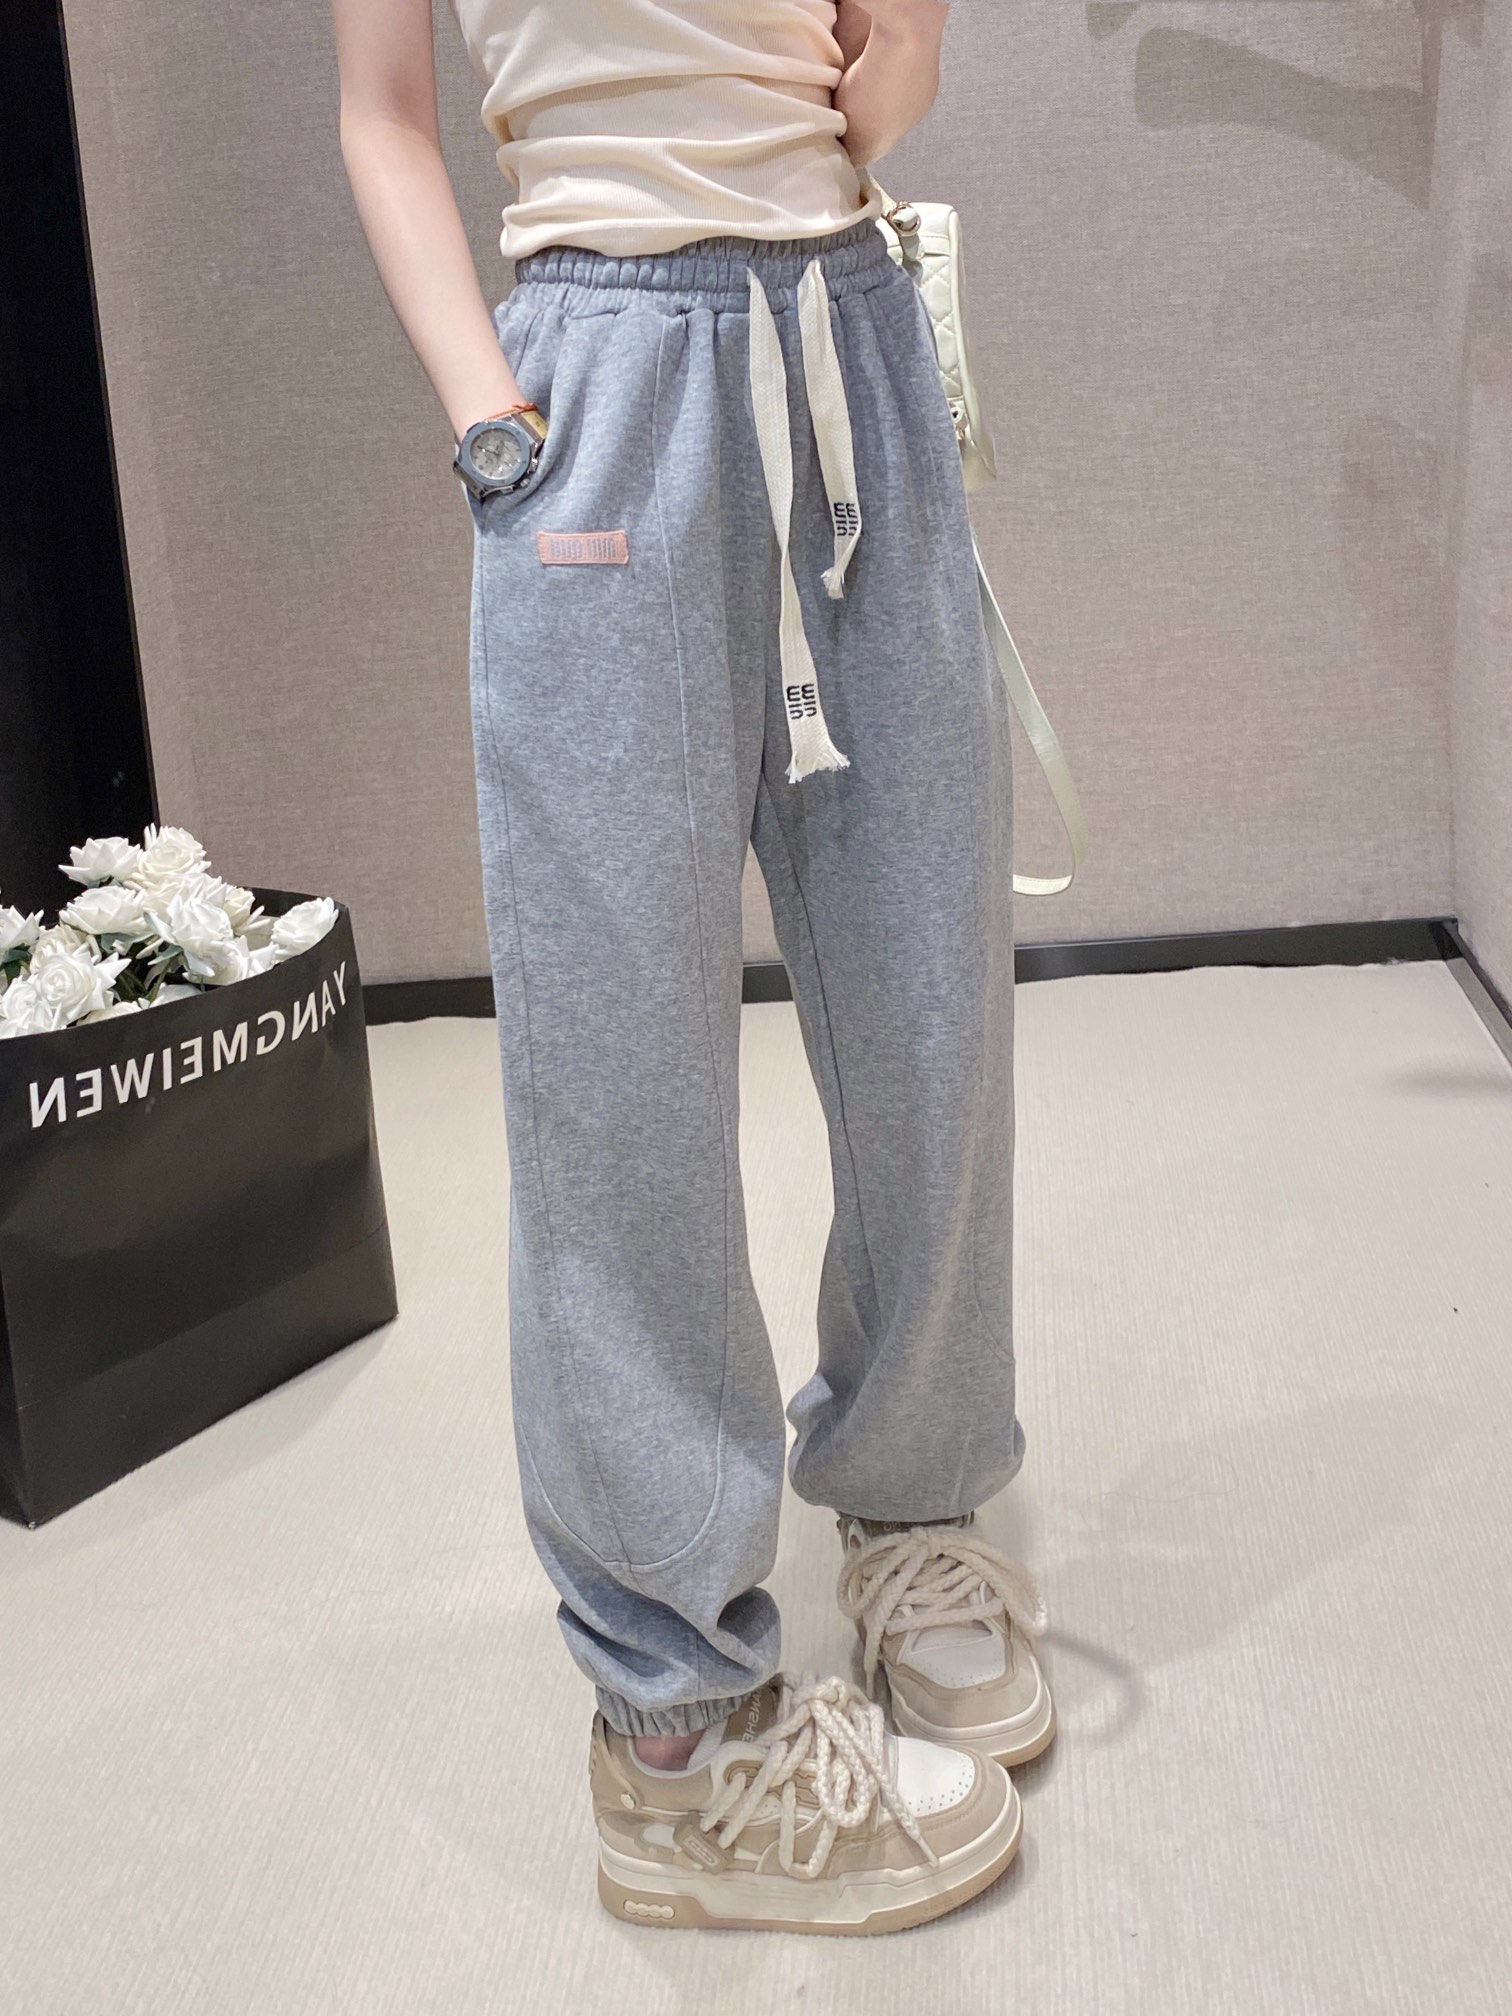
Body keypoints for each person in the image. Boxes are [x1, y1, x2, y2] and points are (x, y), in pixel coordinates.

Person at [332, 0, 1052, 1934]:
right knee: (618, 1070)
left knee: (924, 998)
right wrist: (491, 416)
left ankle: (914, 1497)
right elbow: (382, 112)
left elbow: (882, 87)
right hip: (599, 383)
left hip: (848, 334)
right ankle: (677, 1726)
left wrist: (905, 44)